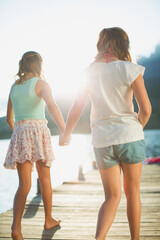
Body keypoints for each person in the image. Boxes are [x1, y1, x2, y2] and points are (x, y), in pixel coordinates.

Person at [59, 27, 152, 240]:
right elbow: (145, 110)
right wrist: (135, 129)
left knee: (111, 197)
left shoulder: (89, 71)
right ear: (124, 45)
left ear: (101, 45)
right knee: (133, 194)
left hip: (102, 141)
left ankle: (99, 238)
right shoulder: (130, 69)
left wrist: (66, 133)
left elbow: (77, 106)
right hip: (130, 136)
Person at [4, 51, 65, 240]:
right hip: (39, 132)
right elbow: (53, 106)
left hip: (20, 132)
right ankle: (48, 219)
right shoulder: (41, 84)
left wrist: (20, 134)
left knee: (24, 185)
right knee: (45, 178)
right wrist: (64, 129)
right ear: (38, 65)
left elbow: (8, 119)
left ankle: (16, 227)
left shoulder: (15, 86)